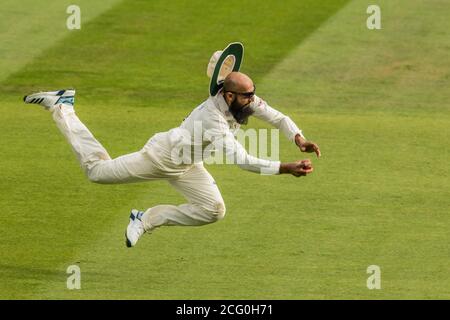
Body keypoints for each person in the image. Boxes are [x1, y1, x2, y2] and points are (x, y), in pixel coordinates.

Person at [23, 72, 320, 248]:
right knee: (96, 172)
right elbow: (242, 160)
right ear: (230, 96)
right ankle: (63, 107)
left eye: (254, 95)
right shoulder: (212, 118)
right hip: (160, 157)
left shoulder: (242, 101)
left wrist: (299, 138)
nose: (253, 101)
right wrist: (286, 168)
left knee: (213, 210)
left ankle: (146, 218)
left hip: (188, 164)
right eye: (247, 97)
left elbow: (278, 117)